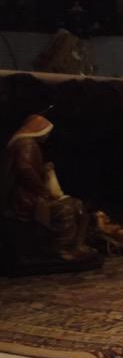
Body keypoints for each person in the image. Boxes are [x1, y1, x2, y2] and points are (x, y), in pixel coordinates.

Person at [1, 113, 99, 271]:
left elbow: (29, 168)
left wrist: (44, 170)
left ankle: (74, 246)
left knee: (78, 206)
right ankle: (60, 250)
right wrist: (42, 190)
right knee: (65, 210)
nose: (47, 135)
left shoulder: (28, 144)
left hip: (31, 195)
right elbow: (24, 169)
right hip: (25, 199)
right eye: (46, 131)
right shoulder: (26, 144)